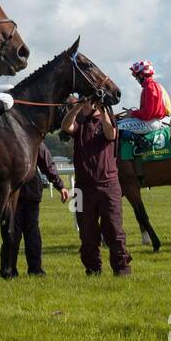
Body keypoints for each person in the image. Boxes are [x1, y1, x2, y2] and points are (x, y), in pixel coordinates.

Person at [61, 96, 132, 276]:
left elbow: (111, 134)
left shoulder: (107, 119)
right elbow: (65, 127)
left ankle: (122, 268)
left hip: (108, 184)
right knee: (87, 233)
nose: (89, 105)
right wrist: (76, 108)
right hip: (82, 188)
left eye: (91, 103)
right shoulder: (79, 122)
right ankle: (92, 270)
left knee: (114, 230)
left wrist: (103, 109)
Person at [1, 140, 69, 277]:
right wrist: (60, 185)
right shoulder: (33, 137)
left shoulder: (9, 138)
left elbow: (46, 162)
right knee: (27, 233)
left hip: (16, 192)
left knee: (15, 233)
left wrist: (60, 185)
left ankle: (10, 270)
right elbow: (47, 163)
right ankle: (33, 269)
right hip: (24, 191)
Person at [116, 60, 171, 145]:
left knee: (116, 128)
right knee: (118, 122)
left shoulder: (150, 87)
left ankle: (141, 143)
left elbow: (147, 114)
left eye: (137, 76)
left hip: (153, 122)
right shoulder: (150, 86)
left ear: (142, 75)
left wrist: (132, 114)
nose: (136, 79)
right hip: (153, 121)